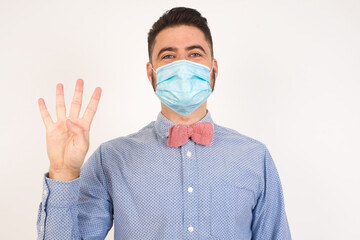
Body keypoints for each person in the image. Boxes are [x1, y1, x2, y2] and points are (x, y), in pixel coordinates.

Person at [37, 7, 291, 240]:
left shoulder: (255, 158)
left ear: (213, 69)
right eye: (168, 56)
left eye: (195, 54)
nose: (182, 65)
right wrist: (63, 173)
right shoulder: (112, 159)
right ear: (151, 73)